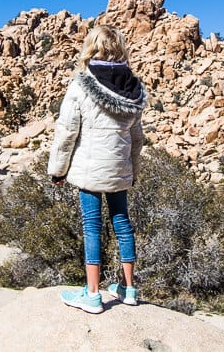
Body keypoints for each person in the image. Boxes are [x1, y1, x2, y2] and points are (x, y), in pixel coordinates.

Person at [48, 25, 148, 314]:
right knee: (122, 223)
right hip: (119, 171)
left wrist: (58, 171)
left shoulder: (81, 84)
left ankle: (92, 295)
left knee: (91, 226)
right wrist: (134, 172)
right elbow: (137, 138)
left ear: (92, 47)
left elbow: (67, 132)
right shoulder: (134, 88)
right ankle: (129, 289)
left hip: (90, 171)